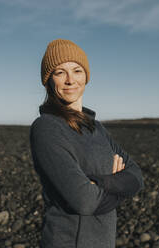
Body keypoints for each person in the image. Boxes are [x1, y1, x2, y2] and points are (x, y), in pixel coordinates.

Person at [29, 39, 145, 248]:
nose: (70, 80)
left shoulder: (96, 128)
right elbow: (85, 201)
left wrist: (102, 183)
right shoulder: (46, 128)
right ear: (48, 80)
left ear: (86, 76)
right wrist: (119, 185)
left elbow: (136, 176)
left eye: (77, 70)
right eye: (60, 72)